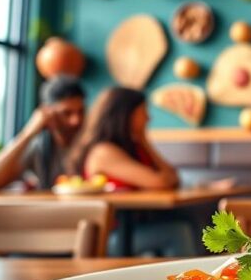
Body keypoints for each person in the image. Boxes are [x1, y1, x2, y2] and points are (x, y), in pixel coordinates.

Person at [66, 86, 195, 257]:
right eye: (143, 112)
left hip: (134, 228)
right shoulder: (103, 151)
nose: (148, 118)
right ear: (126, 115)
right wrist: (144, 142)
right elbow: (161, 182)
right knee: (179, 232)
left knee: (191, 220)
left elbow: (173, 178)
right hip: (108, 237)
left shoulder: (133, 148)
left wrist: (144, 141)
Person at [0, 76, 85, 192]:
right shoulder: (39, 147)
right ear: (47, 112)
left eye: (81, 111)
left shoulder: (92, 142)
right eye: (66, 113)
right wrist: (29, 132)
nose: (76, 120)